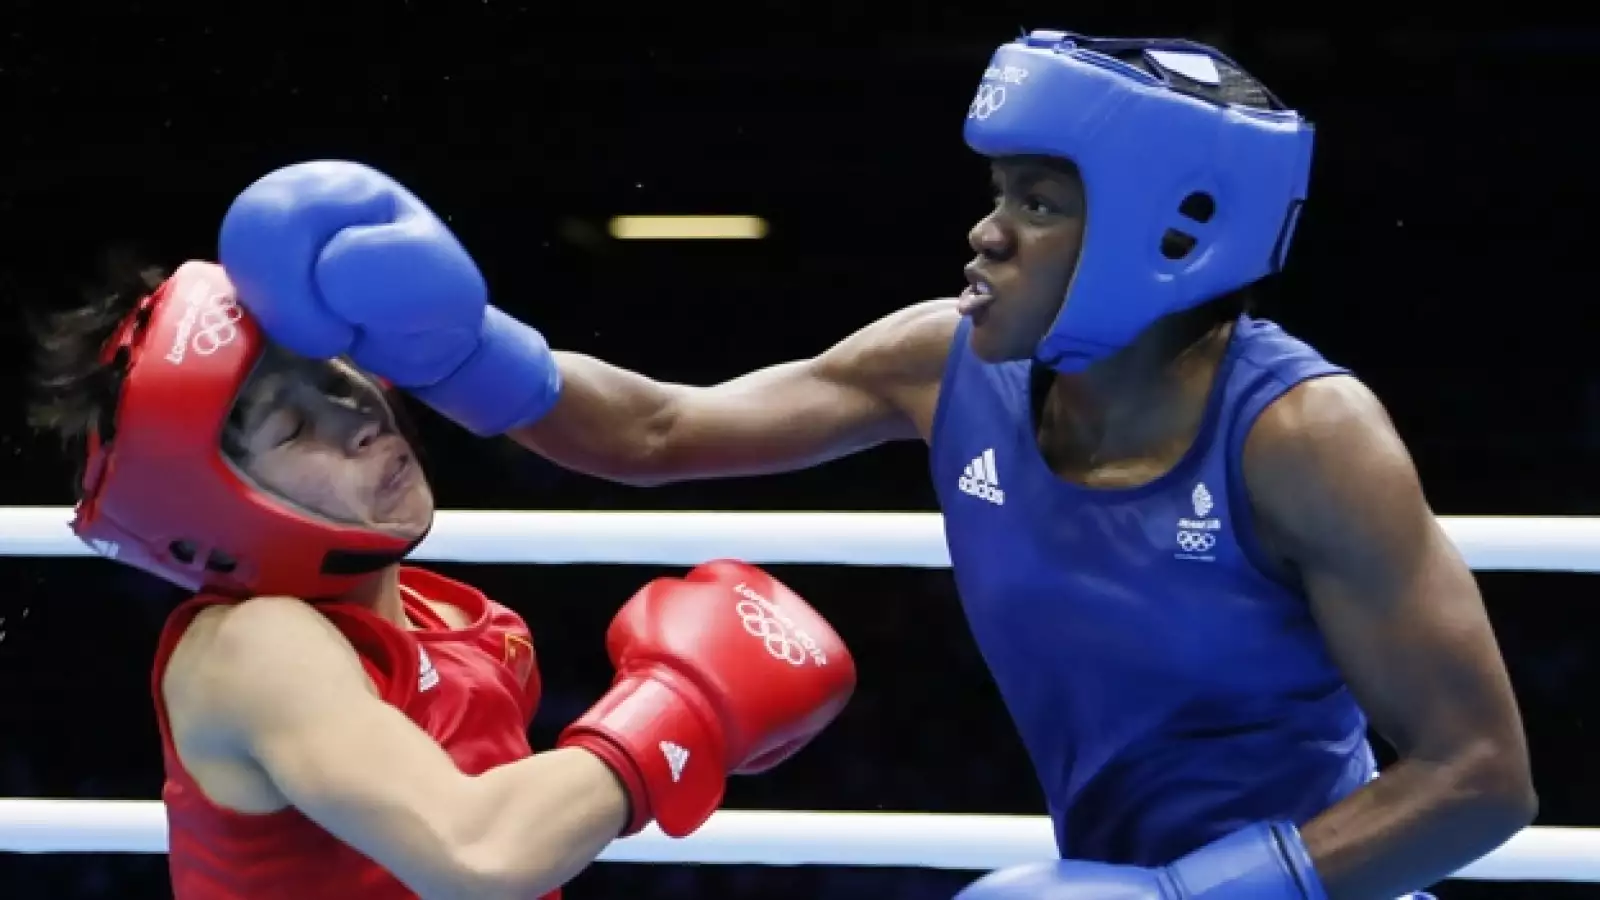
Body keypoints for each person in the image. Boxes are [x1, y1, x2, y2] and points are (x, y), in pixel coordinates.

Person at [211, 28, 1537, 900]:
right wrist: (454, 344)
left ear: (1162, 228)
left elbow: (1481, 778)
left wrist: (1194, 899)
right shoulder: (940, 360)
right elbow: (659, 433)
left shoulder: (1304, 436)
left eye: (1036, 201)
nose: (985, 233)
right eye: (997, 192)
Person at [25, 259, 857, 899]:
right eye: (293, 428)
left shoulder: (462, 619)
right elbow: (478, 853)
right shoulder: (250, 648)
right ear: (221, 509)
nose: (353, 422)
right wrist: (684, 709)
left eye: (332, 377)